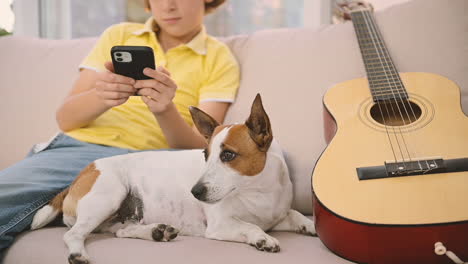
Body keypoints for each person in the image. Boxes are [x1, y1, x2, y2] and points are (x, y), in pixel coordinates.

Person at [0, 0, 239, 259]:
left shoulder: (219, 57)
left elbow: (205, 147)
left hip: (148, 165)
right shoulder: (120, 35)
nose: (168, 6)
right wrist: (102, 97)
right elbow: (65, 119)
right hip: (78, 149)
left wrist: (164, 110)